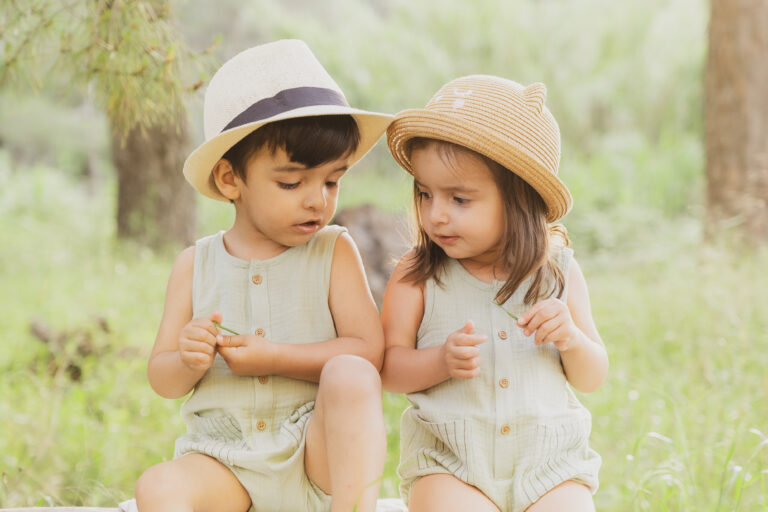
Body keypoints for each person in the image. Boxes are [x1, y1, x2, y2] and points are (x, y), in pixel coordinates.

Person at [134, 40, 393, 512]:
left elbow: (369, 351)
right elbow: (163, 378)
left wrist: (275, 356)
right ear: (231, 179)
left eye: (332, 180)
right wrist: (188, 359)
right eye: (292, 183)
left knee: (352, 375)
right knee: (158, 487)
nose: (318, 199)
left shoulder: (333, 251)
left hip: (315, 458)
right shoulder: (196, 264)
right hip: (225, 461)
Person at [380, 75, 607, 512]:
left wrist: (571, 339)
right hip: (451, 463)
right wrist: (438, 361)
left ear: (519, 198)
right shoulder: (418, 273)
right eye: (425, 194)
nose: (435, 215)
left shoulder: (557, 272)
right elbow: (387, 368)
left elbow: (592, 376)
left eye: (459, 199)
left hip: (549, 466)